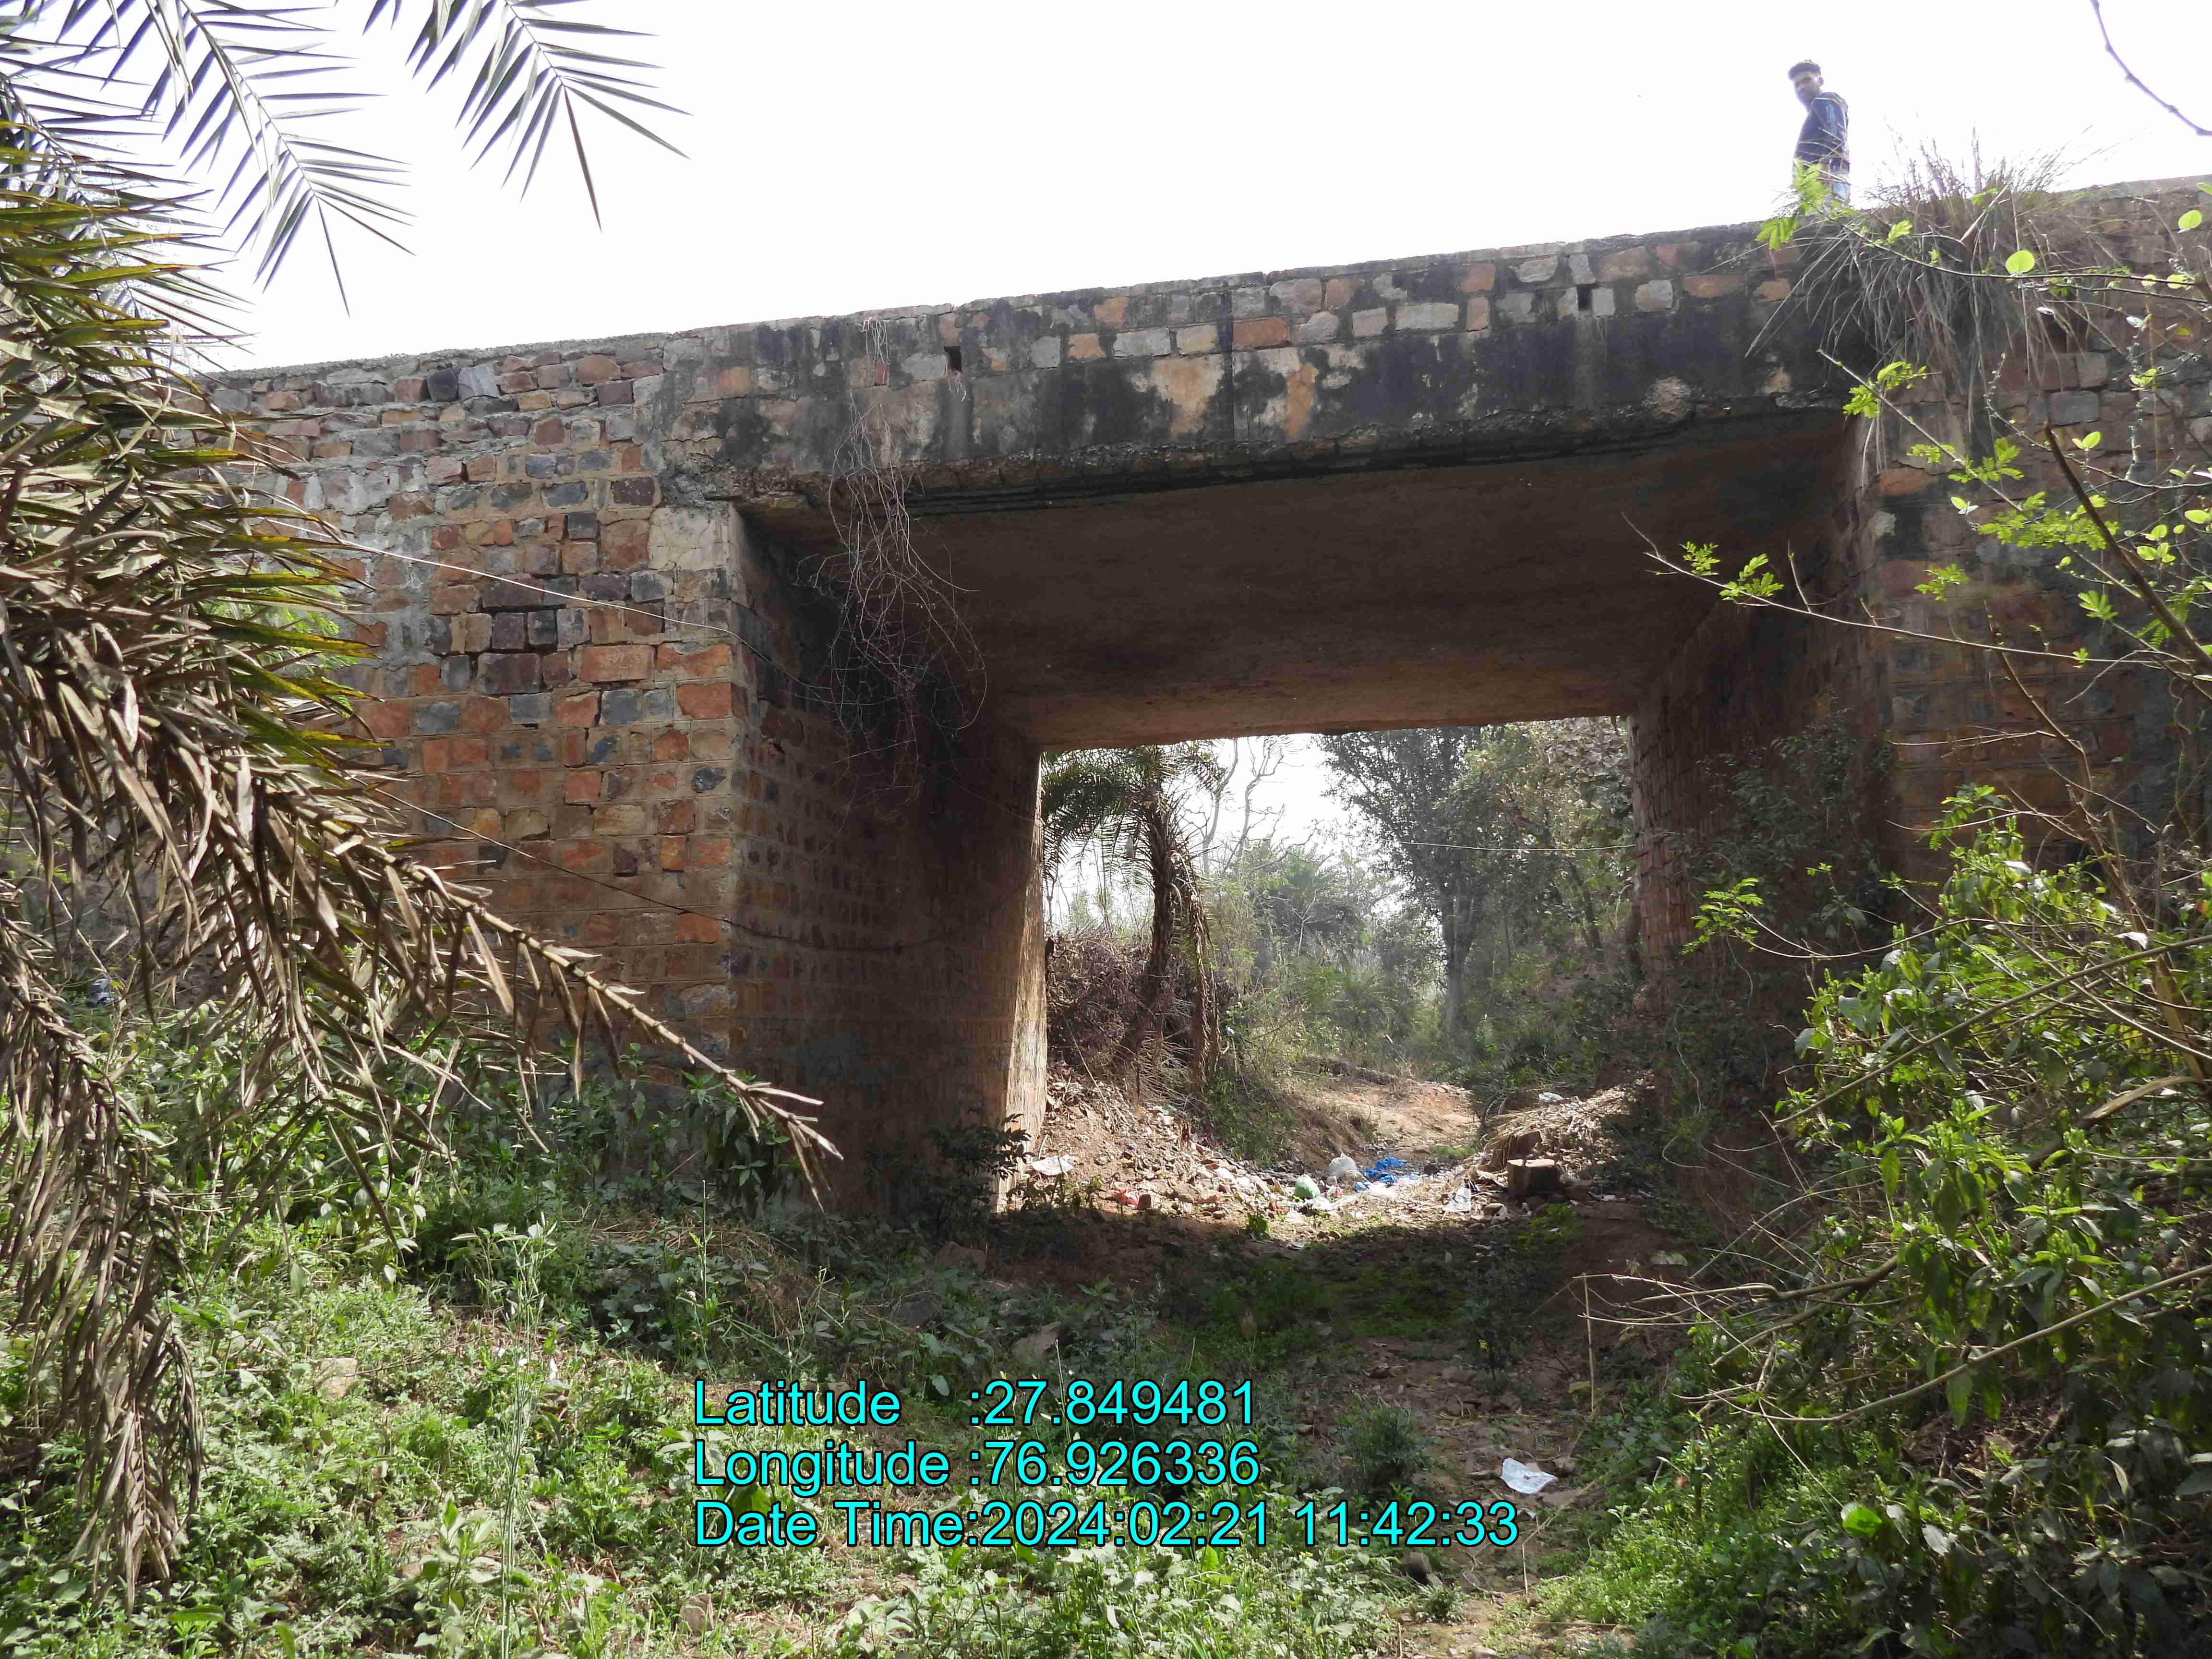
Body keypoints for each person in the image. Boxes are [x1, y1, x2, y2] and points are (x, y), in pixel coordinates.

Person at [1789, 59, 1851, 207]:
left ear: (1820, 81)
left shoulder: (1826, 99)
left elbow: (1836, 133)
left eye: (1807, 80)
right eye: (1797, 85)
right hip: (1814, 183)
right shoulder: (1816, 110)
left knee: (1828, 219)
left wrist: (1825, 165)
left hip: (1826, 177)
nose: (1802, 87)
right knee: (1822, 219)